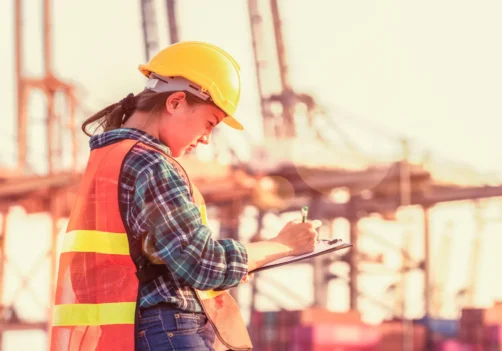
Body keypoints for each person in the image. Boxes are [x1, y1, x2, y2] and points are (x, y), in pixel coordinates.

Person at [50, 41, 320, 351]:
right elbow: (202, 264)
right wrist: (284, 244)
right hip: (166, 332)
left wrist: (231, 266)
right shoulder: (152, 163)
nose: (206, 139)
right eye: (210, 123)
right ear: (176, 102)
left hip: (129, 333)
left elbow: (149, 262)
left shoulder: (108, 159)